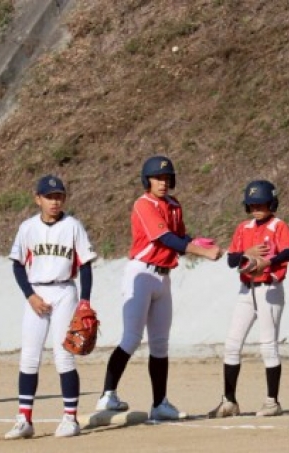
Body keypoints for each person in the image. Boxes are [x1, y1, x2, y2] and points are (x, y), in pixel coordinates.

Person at [95, 155, 223, 421]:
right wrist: (201, 252)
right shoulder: (143, 204)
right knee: (131, 338)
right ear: (147, 180)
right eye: (157, 178)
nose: (162, 182)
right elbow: (164, 238)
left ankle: (159, 403)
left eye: (166, 178)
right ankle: (107, 394)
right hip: (141, 274)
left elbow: (180, 238)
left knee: (160, 344)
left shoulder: (174, 205)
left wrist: (200, 243)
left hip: (163, 277)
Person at [4, 175, 97, 439]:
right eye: (49, 197)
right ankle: (24, 419)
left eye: (59, 197)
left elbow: (86, 265)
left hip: (65, 290)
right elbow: (17, 265)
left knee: (63, 355)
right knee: (29, 356)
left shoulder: (73, 226)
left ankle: (70, 418)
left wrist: (85, 301)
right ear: (38, 199)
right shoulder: (27, 228)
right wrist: (30, 295)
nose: (54, 202)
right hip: (36, 293)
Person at [208, 180, 289, 418]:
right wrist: (246, 254)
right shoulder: (243, 228)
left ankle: (272, 402)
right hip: (246, 290)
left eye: (262, 203)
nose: (256, 208)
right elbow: (231, 260)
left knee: (268, 345)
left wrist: (267, 262)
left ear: (272, 203)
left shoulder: (278, 225)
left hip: (270, 289)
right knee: (232, 344)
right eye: (252, 204)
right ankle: (229, 401)